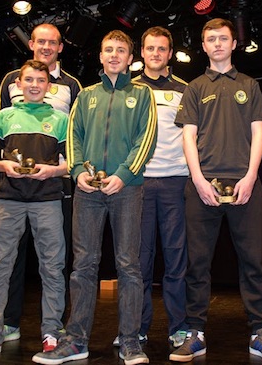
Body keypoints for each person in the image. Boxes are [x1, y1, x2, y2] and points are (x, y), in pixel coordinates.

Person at [32, 29, 157, 365]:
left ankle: (131, 341)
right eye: (108, 50)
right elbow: (74, 137)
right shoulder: (86, 96)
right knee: (83, 266)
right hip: (87, 191)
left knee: (129, 266)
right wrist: (78, 172)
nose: (114, 55)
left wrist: (123, 175)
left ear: (131, 58)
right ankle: (75, 341)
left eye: (121, 50)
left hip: (127, 189)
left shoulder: (143, 94)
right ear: (100, 56)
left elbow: (146, 138)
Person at [169, 18, 262, 363]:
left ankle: (259, 332)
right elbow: (188, 137)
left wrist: (250, 177)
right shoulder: (194, 88)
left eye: (223, 38)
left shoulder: (249, 85)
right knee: (197, 263)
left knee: (253, 262)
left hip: (244, 186)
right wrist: (199, 180)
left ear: (234, 44)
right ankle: (195, 332)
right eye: (211, 39)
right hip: (202, 188)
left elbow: (259, 133)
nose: (217, 44)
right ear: (203, 46)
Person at [0, 60, 69, 361]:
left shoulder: (60, 120)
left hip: (47, 201)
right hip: (8, 200)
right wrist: (4, 165)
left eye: (40, 80)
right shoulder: (3, 117)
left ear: (49, 86)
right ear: (18, 84)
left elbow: (71, 164)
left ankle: (51, 333)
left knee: (52, 268)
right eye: (28, 80)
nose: (34, 85)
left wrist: (51, 171)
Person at [0, 23, 82, 345]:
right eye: (40, 41)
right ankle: (9, 322)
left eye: (52, 42)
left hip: (55, 189)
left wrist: (62, 172)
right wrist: (7, 167)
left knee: (56, 261)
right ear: (31, 44)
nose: (46, 47)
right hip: (14, 188)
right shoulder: (10, 80)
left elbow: (77, 134)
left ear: (60, 47)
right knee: (11, 257)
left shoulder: (73, 84)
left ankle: (55, 326)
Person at [112, 26, 188, 348]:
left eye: (162, 49)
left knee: (176, 260)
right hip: (138, 184)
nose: (156, 54)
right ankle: (136, 328)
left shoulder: (186, 89)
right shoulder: (129, 88)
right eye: (150, 49)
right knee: (138, 262)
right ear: (141, 53)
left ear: (170, 54)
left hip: (175, 183)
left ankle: (178, 329)